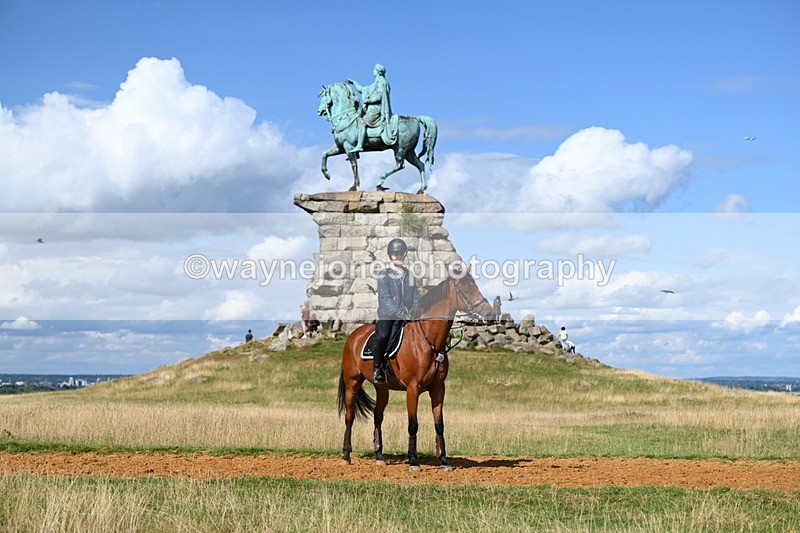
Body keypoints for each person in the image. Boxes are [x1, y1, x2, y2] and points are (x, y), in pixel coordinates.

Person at [373, 238, 420, 384]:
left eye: (400, 254)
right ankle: (377, 368)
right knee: (384, 335)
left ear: (404, 255)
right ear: (390, 255)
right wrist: (399, 312)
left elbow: (416, 295)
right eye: (395, 254)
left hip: (406, 315)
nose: (398, 256)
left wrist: (415, 310)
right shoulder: (384, 275)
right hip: (388, 315)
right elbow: (385, 298)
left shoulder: (410, 275)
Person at [346, 63, 398, 152]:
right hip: (371, 109)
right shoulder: (375, 84)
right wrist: (354, 83)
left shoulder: (382, 82)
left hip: (376, 109)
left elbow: (380, 96)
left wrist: (368, 101)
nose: (372, 71)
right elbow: (363, 89)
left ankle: (359, 145)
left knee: (361, 122)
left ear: (378, 72)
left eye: (374, 69)